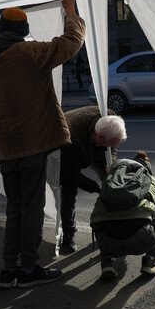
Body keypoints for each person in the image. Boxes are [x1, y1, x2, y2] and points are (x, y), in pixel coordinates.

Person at [0, 0, 85, 289]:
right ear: (23, 31)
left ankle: (8, 270)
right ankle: (29, 269)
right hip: (32, 144)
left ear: (0, 30)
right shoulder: (28, 52)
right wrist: (70, 11)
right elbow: (72, 42)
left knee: (15, 208)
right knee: (32, 208)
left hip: (7, 149)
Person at [90, 150, 155, 281]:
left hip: (108, 243)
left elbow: (95, 218)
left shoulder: (110, 181)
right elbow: (154, 211)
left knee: (103, 216)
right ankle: (151, 260)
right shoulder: (149, 179)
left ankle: (106, 261)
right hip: (142, 241)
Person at [58, 106, 126, 253]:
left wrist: (111, 162)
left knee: (112, 180)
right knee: (69, 191)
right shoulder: (69, 138)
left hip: (94, 146)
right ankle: (68, 235)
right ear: (99, 137)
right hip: (70, 150)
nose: (114, 147)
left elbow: (112, 147)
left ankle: (117, 225)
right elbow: (71, 175)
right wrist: (97, 189)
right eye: (113, 143)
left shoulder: (110, 117)